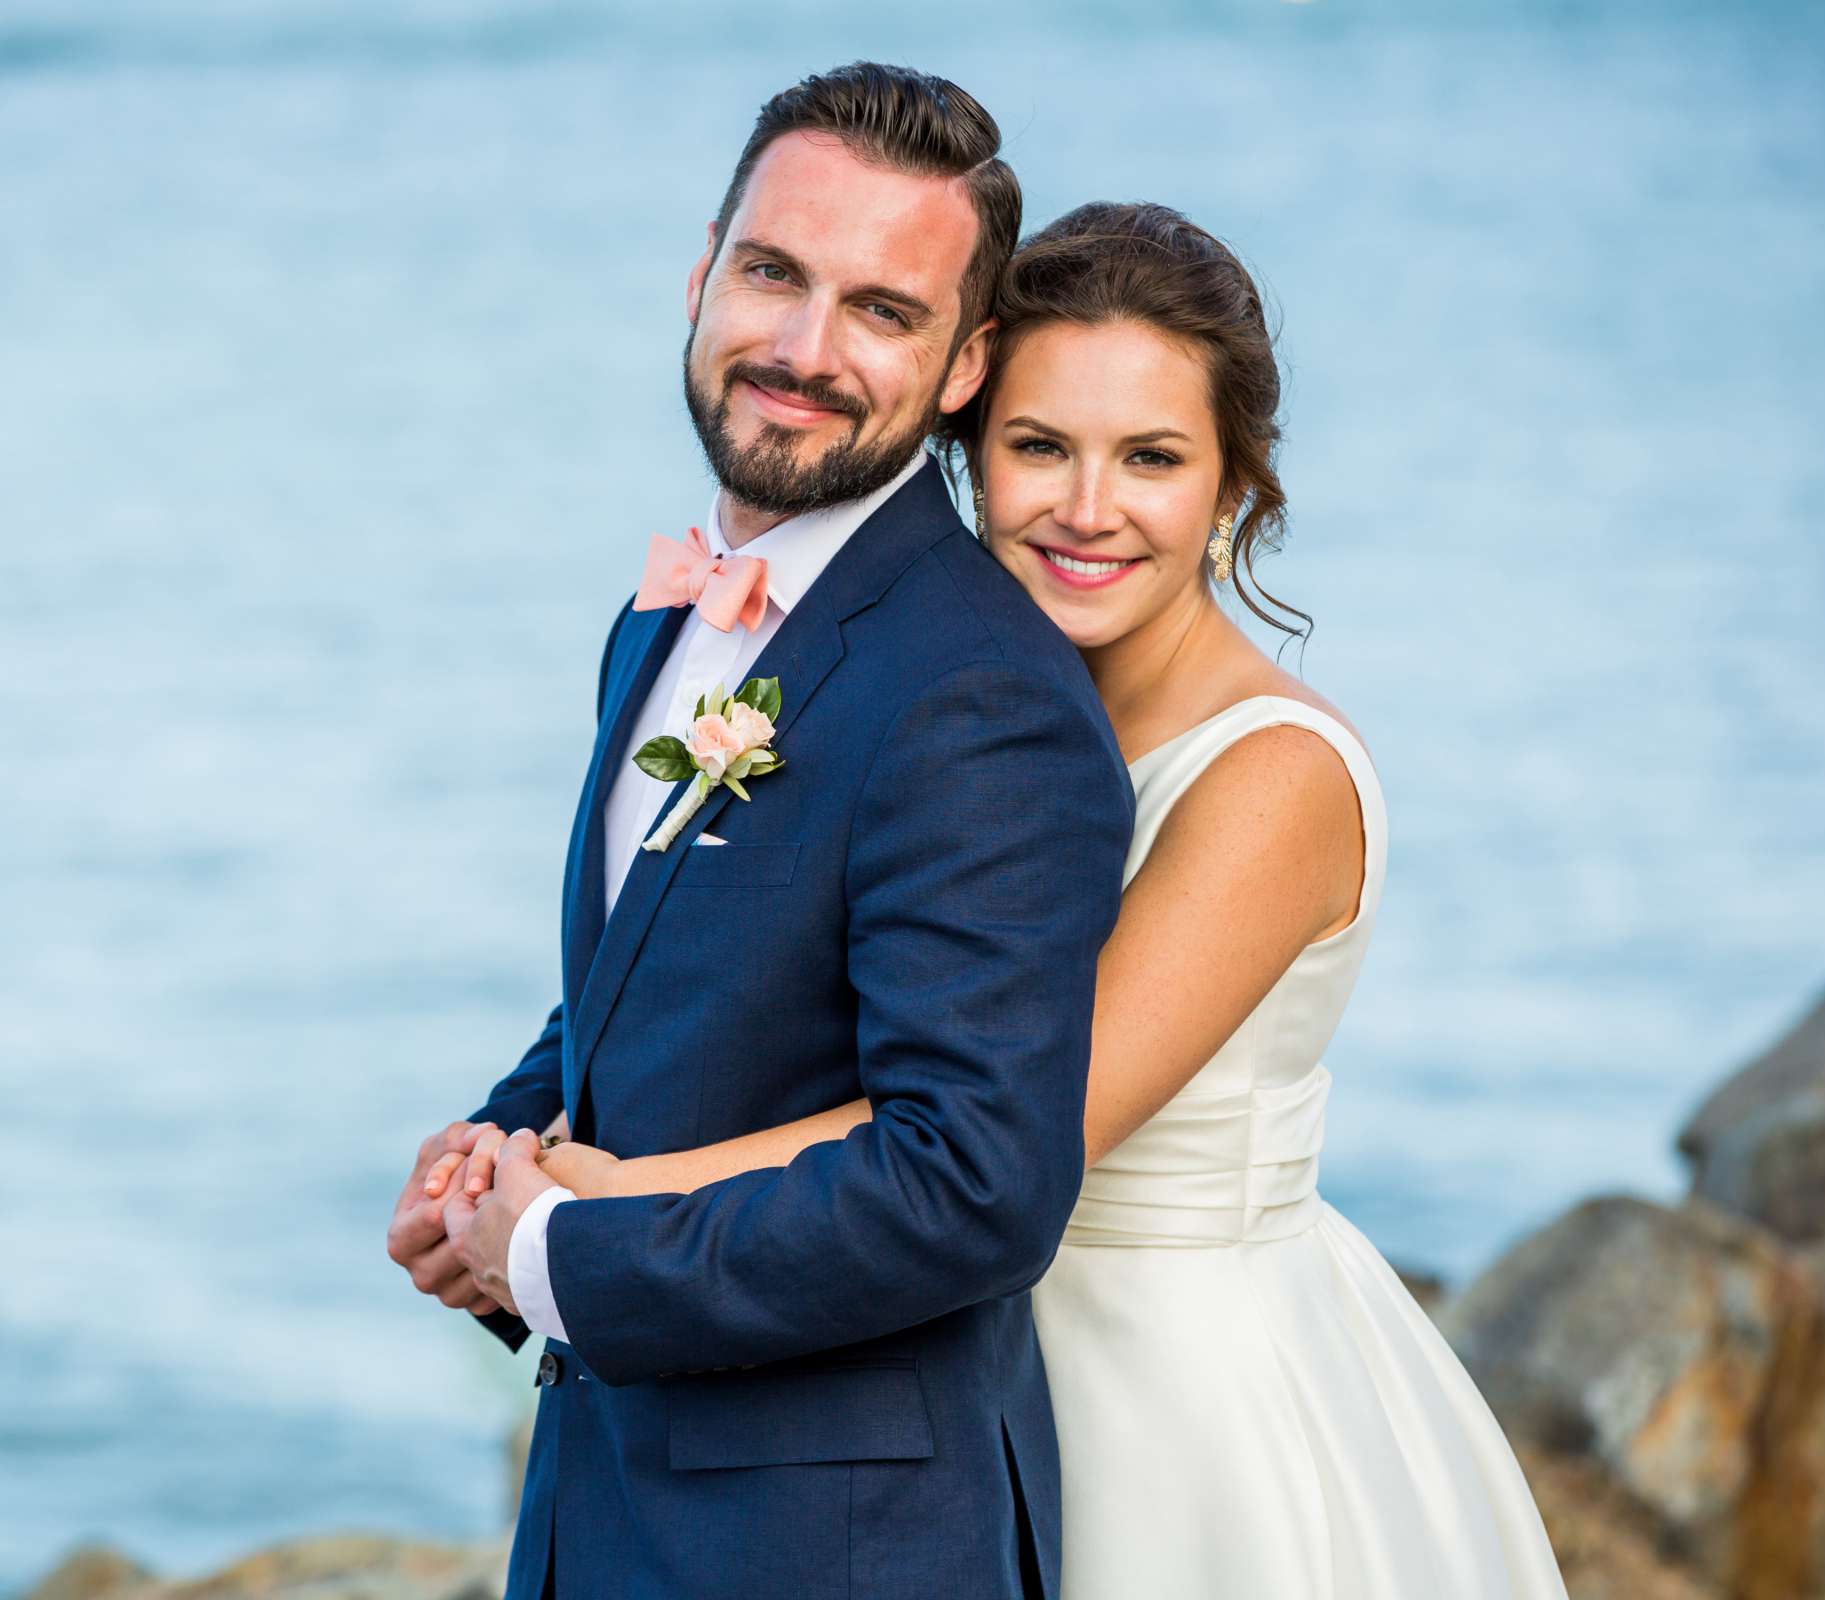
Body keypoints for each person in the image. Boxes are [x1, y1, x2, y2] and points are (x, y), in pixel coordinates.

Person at [513, 203, 1572, 1597]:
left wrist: (600, 1206)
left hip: (1168, 1386)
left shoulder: (1273, 781)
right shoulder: (940, 708)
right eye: (1038, 447)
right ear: (963, 444)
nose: (1087, 508)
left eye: (1152, 459)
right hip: (922, 1350)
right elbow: (720, 971)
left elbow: (1015, 1123)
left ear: (1236, 484)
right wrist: (515, 1137)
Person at [384, 64, 1132, 1600]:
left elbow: (970, 1182)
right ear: (701, 271)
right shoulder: (659, 624)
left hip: (832, 1548)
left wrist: (561, 1260)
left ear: (965, 363)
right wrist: (492, 1165)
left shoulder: (978, 693)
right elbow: (660, 975)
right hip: (613, 1505)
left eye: (882, 309)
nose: (803, 348)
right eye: (774, 273)